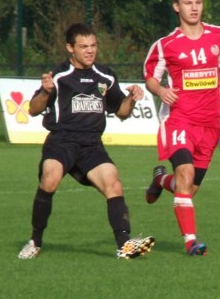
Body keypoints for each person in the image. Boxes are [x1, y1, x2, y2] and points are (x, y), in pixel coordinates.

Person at [18, 23, 155, 260]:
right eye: (83, 47)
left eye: (93, 45)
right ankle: (35, 241)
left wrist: (132, 99)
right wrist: (46, 92)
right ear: (70, 48)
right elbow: (32, 109)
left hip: (91, 144)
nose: (90, 51)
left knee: (114, 183)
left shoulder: (105, 76)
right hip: (61, 140)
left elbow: (122, 112)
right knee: (49, 179)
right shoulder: (59, 76)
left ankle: (124, 245)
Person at [143, 0, 220, 256]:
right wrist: (161, 90)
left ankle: (160, 180)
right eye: (188, 3)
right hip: (179, 120)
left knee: (188, 187)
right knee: (186, 174)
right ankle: (191, 241)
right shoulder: (166, 45)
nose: (194, 8)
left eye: (198, 2)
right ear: (177, 7)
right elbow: (151, 79)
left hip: (210, 123)